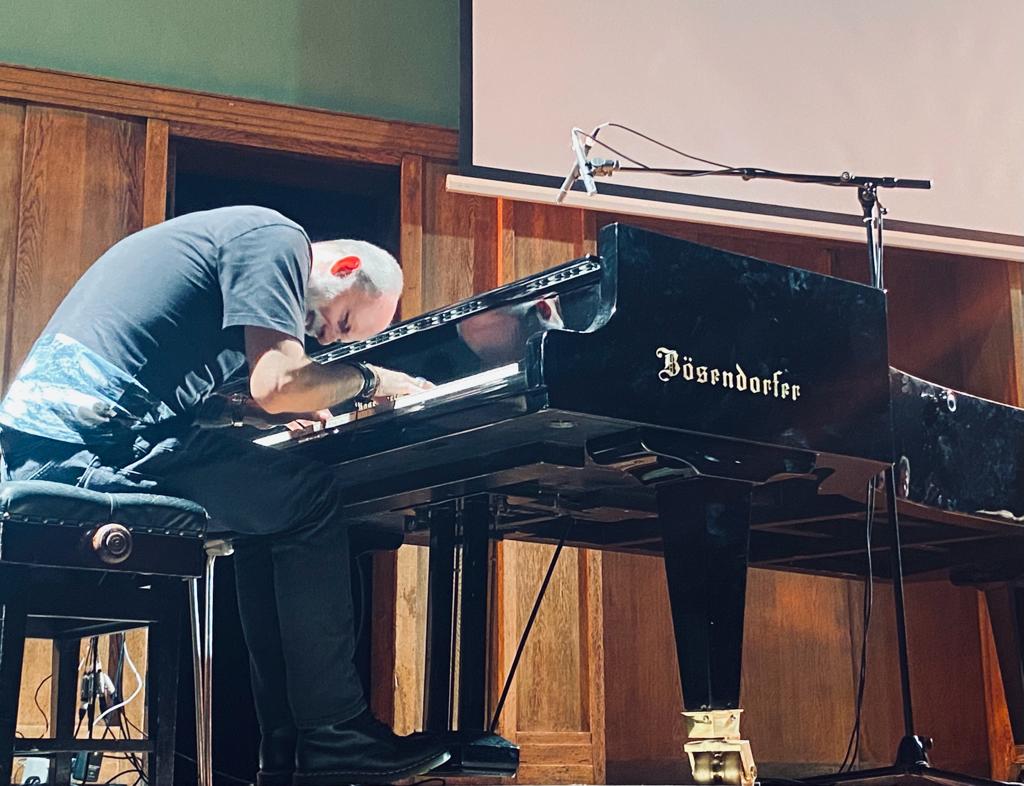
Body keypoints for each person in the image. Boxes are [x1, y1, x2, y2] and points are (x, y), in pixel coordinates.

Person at [0, 205, 450, 786]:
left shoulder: (234, 237)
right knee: (310, 498)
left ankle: (289, 748)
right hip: (91, 450)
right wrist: (370, 379)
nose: (326, 336)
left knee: (275, 508)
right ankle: (335, 738)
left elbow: (193, 390)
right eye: (342, 323)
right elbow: (279, 383)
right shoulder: (279, 239)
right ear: (341, 267)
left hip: (47, 445)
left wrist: (245, 410)